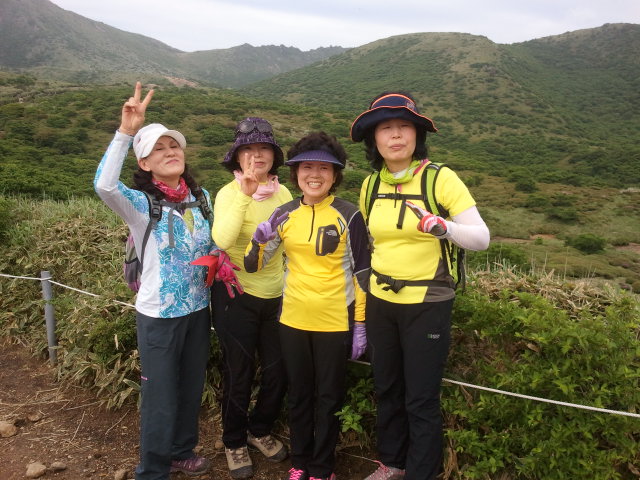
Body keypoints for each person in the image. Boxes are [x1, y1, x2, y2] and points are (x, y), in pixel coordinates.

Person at [350, 92, 490, 480]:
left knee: (421, 397)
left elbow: (481, 238)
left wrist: (442, 227)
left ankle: (421, 473)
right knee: (387, 387)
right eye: (385, 128)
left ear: (417, 135)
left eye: (404, 126)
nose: (395, 135)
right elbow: (371, 243)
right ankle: (392, 463)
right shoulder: (370, 185)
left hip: (428, 302)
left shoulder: (440, 179)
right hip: (381, 300)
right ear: (374, 139)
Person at [94, 82, 214, 480]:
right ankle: (153, 471)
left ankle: (181, 452)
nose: (169, 152)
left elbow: (216, 244)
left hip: (198, 310)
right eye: (158, 149)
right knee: (160, 395)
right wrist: (125, 133)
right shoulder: (141, 205)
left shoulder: (202, 198)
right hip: (159, 315)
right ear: (144, 163)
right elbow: (104, 185)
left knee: (191, 388)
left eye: (173, 145)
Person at [244, 132, 370, 480]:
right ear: (296, 173)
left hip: (335, 320)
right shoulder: (283, 214)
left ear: (335, 175)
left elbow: (362, 273)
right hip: (293, 319)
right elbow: (254, 264)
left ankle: (322, 467)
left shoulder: (349, 215)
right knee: (299, 394)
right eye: (307, 167)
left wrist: (361, 323)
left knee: (329, 397)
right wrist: (258, 241)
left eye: (324, 168)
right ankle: (300, 462)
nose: (315, 174)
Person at [211, 117, 292, 479]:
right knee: (239, 371)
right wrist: (245, 194)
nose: (256, 155)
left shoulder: (284, 194)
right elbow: (223, 240)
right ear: (237, 156)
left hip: (276, 295)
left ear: (274, 156)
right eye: (248, 149)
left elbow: (291, 241)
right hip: (236, 295)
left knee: (278, 370)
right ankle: (233, 439)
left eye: (263, 149)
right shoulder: (228, 194)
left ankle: (259, 429)